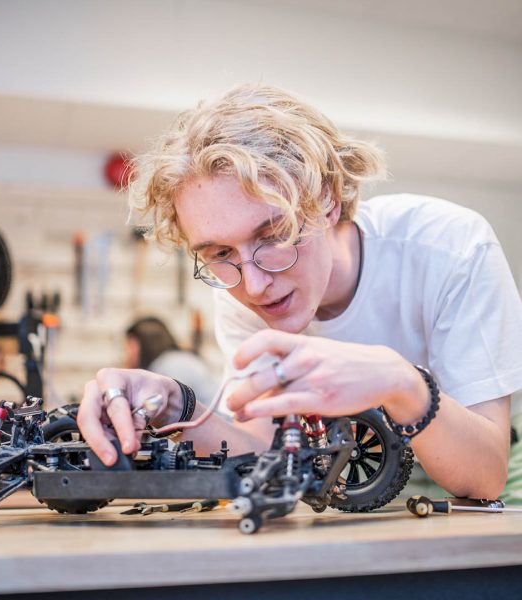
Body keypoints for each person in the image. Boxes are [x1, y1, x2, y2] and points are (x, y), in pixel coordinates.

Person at [78, 84, 522, 500]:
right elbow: (263, 452)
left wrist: (400, 381)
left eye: (273, 236)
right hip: (369, 478)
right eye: (220, 252)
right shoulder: (236, 296)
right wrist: (177, 408)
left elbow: (484, 475)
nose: (254, 286)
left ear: (327, 201)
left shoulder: (449, 247)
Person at [124, 316, 219, 406]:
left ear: (146, 343)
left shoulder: (169, 366)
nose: (127, 352)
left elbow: (171, 408)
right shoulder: (176, 359)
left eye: (130, 346)